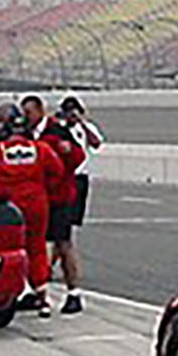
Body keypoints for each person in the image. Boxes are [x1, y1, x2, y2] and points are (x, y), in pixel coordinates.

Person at [0, 102, 68, 316]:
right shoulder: (40, 148)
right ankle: (41, 295)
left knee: (4, 250)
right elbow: (57, 171)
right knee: (37, 248)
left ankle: (10, 292)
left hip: (7, 208)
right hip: (37, 204)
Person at [27, 95, 88, 314]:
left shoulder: (57, 132)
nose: (27, 118)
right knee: (35, 244)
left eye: (29, 113)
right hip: (38, 198)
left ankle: (74, 293)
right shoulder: (27, 134)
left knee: (63, 242)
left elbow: (78, 156)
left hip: (60, 196)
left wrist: (60, 165)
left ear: (39, 111)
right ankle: (36, 290)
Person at [58, 95, 104, 310]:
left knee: (70, 225)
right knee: (62, 227)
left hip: (81, 178)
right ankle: (55, 262)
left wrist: (82, 124)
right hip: (65, 177)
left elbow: (96, 143)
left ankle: (58, 261)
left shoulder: (86, 128)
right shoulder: (58, 129)